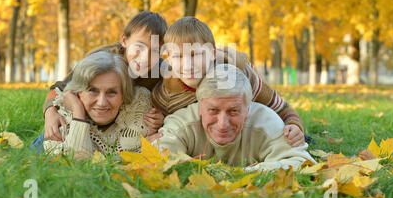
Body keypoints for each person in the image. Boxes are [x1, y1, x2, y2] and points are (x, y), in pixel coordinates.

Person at [151, 16, 306, 147]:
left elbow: (282, 107)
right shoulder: (166, 94)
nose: (187, 65)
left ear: (212, 53)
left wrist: (293, 125)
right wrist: (158, 124)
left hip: (244, 140)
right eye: (178, 56)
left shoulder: (241, 76)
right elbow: (166, 123)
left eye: (195, 55)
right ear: (169, 59)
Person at [152, 64, 316, 171]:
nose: (223, 124)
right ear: (200, 107)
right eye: (213, 110)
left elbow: (301, 162)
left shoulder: (266, 122)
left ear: (248, 109)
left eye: (233, 111)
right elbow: (158, 158)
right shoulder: (181, 123)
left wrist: (244, 173)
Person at [42, 11, 168, 142]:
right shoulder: (101, 61)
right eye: (139, 46)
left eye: (155, 51)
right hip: (86, 123)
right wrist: (50, 113)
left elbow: (176, 102)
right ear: (124, 40)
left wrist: (162, 117)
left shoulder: (162, 72)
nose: (145, 57)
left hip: (123, 132)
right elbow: (59, 88)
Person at [34, 51, 153, 157]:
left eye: (112, 92)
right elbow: (76, 165)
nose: (102, 102)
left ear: (123, 95)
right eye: (92, 90)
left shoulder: (139, 105)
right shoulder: (63, 117)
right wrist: (78, 113)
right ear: (78, 92)